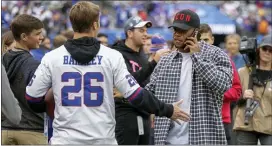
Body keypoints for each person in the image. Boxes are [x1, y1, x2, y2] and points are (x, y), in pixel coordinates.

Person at [24, 2, 190, 145]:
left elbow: (32, 97)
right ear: (96, 25)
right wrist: (167, 110)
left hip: (65, 139)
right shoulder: (112, 56)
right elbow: (136, 95)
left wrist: (55, 107)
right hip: (102, 139)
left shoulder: (52, 57)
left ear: (72, 23)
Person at [145, 9, 233, 145]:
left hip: (204, 138)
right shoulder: (165, 60)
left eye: (182, 31)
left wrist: (197, 56)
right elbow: (149, 93)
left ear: (195, 32)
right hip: (167, 139)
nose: (177, 34)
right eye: (175, 30)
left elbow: (223, 85)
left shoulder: (217, 54)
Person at [111, 16, 170, 145]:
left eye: (146, 31)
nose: (146, 34)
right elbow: (128, 83)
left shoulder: (142, 55)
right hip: (126, 116)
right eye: (141, 31)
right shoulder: (117, 54)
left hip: (144, 114)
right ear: (130, 33)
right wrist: (153, 62)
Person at [1, 14, 47, 145]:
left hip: (3, 130)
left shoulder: (3, 60)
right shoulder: (34, 65)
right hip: (31, 131)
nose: (41, 37)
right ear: (24, 37)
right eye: (38, 33)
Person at [199, 23, 242, 145]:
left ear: (212, 40)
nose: (203, 44)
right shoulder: (190, 61)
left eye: (206, 40)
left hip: (221, 119)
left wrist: (218, 94)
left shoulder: (225, 60)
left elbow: (237, 90)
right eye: (200, 40)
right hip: (196, 120)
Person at [233, 34, 272, 145]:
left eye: (271, 50)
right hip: (245, 124)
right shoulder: (243, 72)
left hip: (269, 126)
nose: (267, 52)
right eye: (265, 49)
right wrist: (242, 96)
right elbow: (231, 97)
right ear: (259, 50)